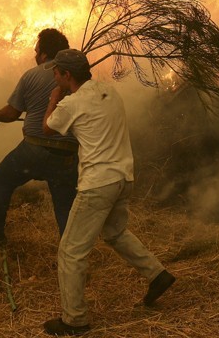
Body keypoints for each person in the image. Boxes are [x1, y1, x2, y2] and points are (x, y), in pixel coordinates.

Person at [41, 49, 175, 335]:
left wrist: (54, 99)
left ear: (67, 75)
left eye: (57, 72)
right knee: (115, 233)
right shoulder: (110, 92)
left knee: (70, 252)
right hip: (123, 177)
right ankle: (157, 274)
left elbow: (47, 128)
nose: (54, 75)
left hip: (97, 183)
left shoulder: (70, 103)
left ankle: (74, 321)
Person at [0, 28, 79, 245]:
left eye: (37, 51)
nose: (35, 55)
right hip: (67, 156)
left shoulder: (32, 74)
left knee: (1, 176)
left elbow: (12, 113)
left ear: (45, 55)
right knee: (65, 207)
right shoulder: (77, 77)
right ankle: (73, 254)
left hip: (34, 151)